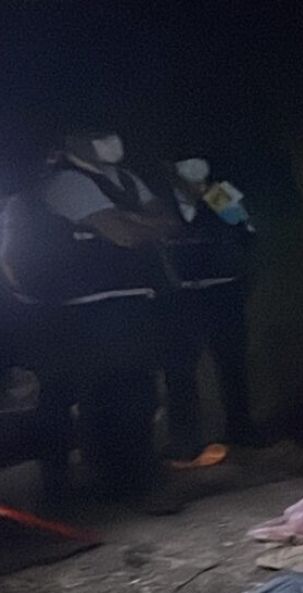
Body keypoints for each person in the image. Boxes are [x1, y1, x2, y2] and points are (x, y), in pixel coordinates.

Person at [5, 130, 181, 508]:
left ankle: (129, 479)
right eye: (98, 135)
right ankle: (122, 484)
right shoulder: (67, 183)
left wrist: (131, 220)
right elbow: (124, 236)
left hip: (130, 301)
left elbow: (167, 221)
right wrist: (134, 223)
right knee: (111, 396)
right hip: (87, 310)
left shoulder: (124, 180)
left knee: (135, 392)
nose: (110, 141)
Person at [159, 156, 261, 466]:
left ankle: (241, 429)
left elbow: (246, 233)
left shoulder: (220, 193)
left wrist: (219, 201)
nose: (194, 184)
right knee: (180, 369)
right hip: (183, 295)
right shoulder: (160, 200)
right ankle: (186, 441)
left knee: (232, 362)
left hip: (224, 288)